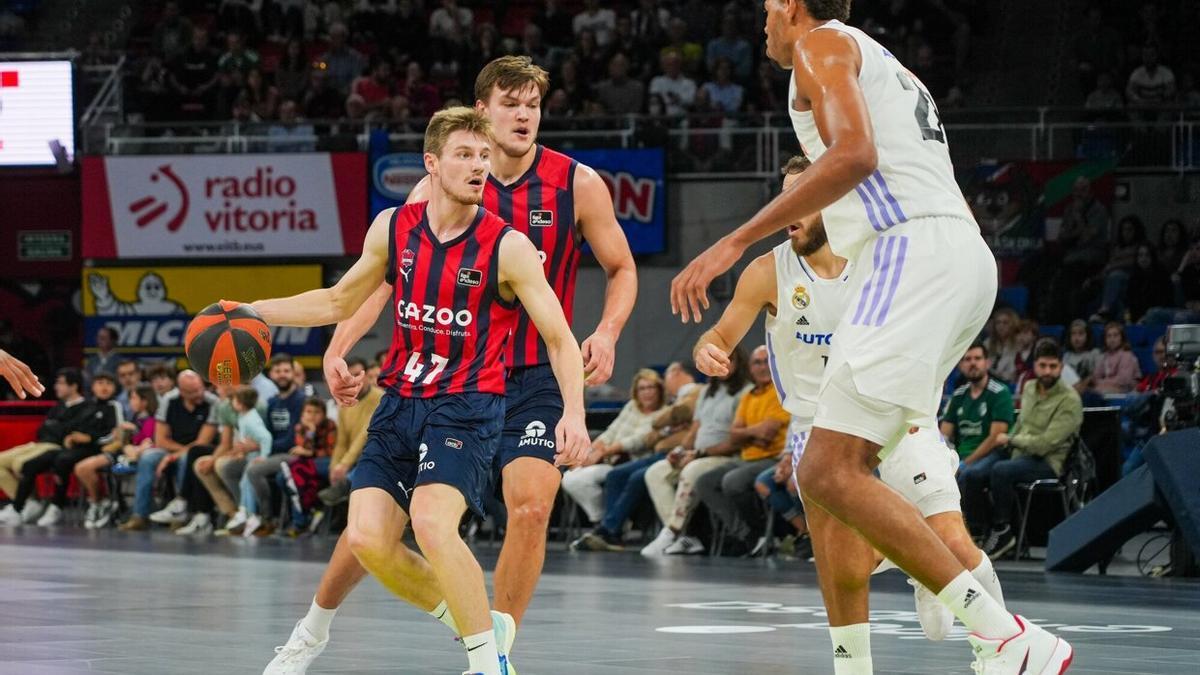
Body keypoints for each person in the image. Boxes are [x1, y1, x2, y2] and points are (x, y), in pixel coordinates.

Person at [669, 2, 1070, 671]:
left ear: (795, 5)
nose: (762, 22)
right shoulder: (879, 60)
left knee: (825, 467)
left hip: (910, 253)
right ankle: (866, 656)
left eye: (769, 7)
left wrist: (732, 241)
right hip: (956, 254)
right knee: (827, 478)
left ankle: (1001, 630)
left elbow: (856, 155)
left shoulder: (820, 45)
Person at [266, 55, 637, 673]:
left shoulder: (577, 183)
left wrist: (608, 329)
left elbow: (621, 267)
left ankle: (497, 651)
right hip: (442, 378)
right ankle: (314, 626)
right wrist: (336, 345)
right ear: (482, 112)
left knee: (529, 505)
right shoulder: (431, 192)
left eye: (533, 105)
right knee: (371, 530)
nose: (523, 115)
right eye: (510, 103)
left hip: (536, 374)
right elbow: (381, 282)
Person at [693, 154, 1004, 642]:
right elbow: (719, 333)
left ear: (837, 202)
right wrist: (709, 351)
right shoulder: (767, 271)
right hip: (819, 429)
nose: (789, 209)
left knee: (953, 544)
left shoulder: (885, 258)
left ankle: (1004, 643)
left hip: (896, 412)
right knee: (847, 564)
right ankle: (916, 580)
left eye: (805, 198)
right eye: (784, 197)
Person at [640, 346, 751, 557]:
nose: (723, 364)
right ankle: (685, 537)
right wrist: (681, 451)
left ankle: (672, 532)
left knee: (691, 471)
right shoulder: (707, 392)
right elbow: (695, 429)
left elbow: (736, 441)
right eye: (718, 360)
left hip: (725, 455)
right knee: (655, 472)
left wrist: (698, 454)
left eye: (729, 360)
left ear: (738, 364)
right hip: (697, 454)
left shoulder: (745, 391)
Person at [984, 340, 1084, 559]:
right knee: (974, 472)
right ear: (1035, 366)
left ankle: (1003, 531)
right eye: (1043, 365)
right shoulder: (1029, 388)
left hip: (1049, 464)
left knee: (1001, 470)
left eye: (1053, 366)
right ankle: (976, 532)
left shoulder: (1070, 400)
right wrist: (1011, 441)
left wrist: (1011, 439)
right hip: (1019, 453)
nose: (1047, 371)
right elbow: (1021, 424)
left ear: (1061, 367)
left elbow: (1045, 444)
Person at [560, 369, 665, 524]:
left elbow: (638, 441)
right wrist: (589, 451)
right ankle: (608, 519)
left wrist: (602, 452)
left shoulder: (664, 413)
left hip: (631, 463)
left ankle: (605, 521)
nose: (647, 392)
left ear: (659, 390)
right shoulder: (632, 406)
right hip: (609, 460)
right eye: (642, 388)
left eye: (651, 387)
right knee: (570, 476)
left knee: (576, 480)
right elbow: (611, 432)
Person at [18, 372, 122, 526]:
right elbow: (75, 427)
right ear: (92, 387)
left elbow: (116, 433)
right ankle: (37, 505)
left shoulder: (114, 406)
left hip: (99, 449)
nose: (104, 387)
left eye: (108, 383)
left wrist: (90, 438)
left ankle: (70, 504)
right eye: (100, 383)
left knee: (64, 460)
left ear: (115, 388)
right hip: (80, 447)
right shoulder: (89, 406)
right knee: (45, 460)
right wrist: (71, 437)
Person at [120, 370, 218, 531]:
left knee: (186, 459)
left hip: (197, 450)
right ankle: (139, 515)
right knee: (147, 457)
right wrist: (172, 454)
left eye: (200, 389)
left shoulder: (212, 402)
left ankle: (181, 513)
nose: (199, 395)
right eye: (192, 392)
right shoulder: (169, 400)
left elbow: (202, 442)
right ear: (180, 391)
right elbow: (161, 439)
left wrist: (175, 456)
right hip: (170, 447)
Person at [0, 369, 91, 526]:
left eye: (61, 383)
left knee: (21, 464)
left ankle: (20, 507)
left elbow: (66, 433)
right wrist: (57, 428)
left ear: (74, 386)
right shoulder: (58, 406)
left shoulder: (86, 407)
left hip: (56, 448)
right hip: (40, 444)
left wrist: (56, 428)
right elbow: (42, 430)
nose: (56, 387)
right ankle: (29, 502)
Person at [943, 344, 1016, 534]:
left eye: (977, 358)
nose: (972, 363)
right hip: (961, 456)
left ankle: (976, 531)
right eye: (967, 359)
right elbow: (943, 434)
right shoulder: (958, 395)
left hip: (994, 453)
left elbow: (996, 437)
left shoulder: (1000, 392)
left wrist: (965, 462)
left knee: (970, 475)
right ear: (960, 365)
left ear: (987, 363)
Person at [75, 382, 158, 529]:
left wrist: (131, 443)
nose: (130, 402)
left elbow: (147, 443)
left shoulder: (152, 421)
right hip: (120, 453)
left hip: (130, 457)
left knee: (84, 468)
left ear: (144, 401)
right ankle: (100, 503)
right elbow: (124, 442)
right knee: (81, 468)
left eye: (133, 398)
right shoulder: (134, 419)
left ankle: (106, 503)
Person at [1094, 321, 1142, 394]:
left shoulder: (1127, 355)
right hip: (1106, 389)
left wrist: (1103, 382)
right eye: (1109, 336)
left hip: (1126, 391)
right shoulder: (1103, 356)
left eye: (1115, 335)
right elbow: (1096, 378)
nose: (1112, 339)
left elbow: (1124, 380)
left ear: (1122, 338)